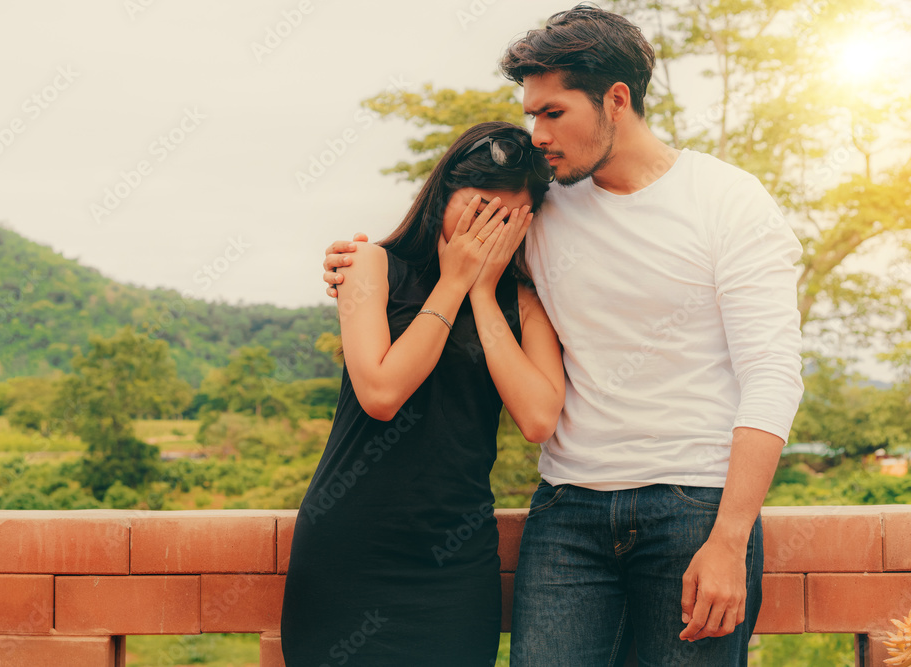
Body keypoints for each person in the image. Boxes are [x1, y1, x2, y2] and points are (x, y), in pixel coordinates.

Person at [321, 6, 804, 666]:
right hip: (568, 511)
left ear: (615, 99)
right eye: (530, 115)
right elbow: (442, 245)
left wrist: (730, 535)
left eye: (553, 113)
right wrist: (352, 263)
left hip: (695, 505)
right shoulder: (542, 207)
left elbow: (772, 375)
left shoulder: (728, 202)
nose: (538, 133)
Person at [281, 120, 566, 667]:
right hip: (349, 548)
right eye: (477, 206)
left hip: (454, 561)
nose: (485, 227)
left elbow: (538, 418)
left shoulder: (524, 304)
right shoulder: (372, 266)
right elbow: (382, 393)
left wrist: (483, 292)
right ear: (443, 193)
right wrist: (454, 282)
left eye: (505, 217)